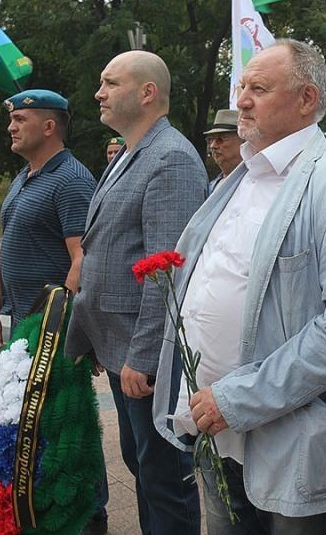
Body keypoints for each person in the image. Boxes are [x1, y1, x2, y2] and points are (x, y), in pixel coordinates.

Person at [153, 39, 326, 535]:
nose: (241, 100)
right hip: (216, 432)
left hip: (288, 446)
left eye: (258, 89)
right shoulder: (239, 178)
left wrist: (238, 399)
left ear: (306, 99)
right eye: (242, 87)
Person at [65, 50, 207, 535]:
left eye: (110, 83)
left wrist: (144, 357)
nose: (98, 93)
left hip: (144, 358)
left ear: (147, 93)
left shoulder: (171, 159)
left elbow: (166, 273)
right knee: (143, 466)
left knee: (164, 478)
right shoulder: (131, 152)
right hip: (119, 347)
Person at [0, 89, 107, 534]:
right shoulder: (24, 177)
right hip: (24, 324)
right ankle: (46, 508)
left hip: (53, 328)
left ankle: (90, 516)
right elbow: (7, 247)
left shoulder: (71, 180)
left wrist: (62, 325)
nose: (11, 127)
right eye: (12, 119)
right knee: (36, 421)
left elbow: (83, 258)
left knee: (67, 421)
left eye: (21, 119)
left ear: (49, 126)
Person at [204, 109, 244, 193]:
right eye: (210, 139)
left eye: (221, 139)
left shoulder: (255, 182)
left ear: (243, 140)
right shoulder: (211, 187)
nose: (213, 146)